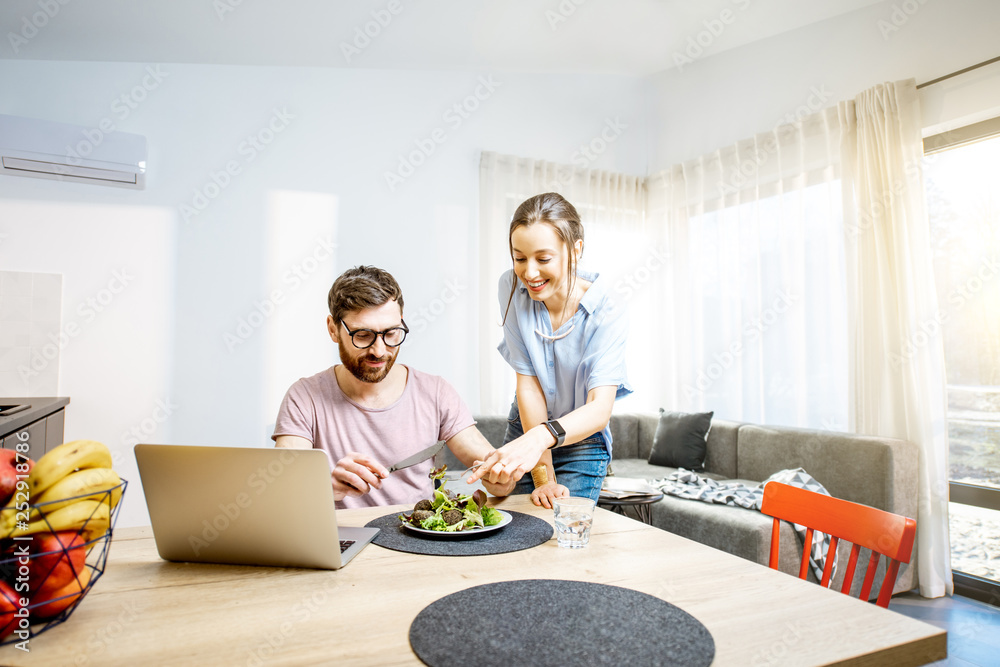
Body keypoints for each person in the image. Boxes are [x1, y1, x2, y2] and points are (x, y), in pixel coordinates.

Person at [272, 265, 514, 508]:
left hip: (416, 541)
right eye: (363, 335)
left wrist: (500, 478)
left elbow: (493, 467)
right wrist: (324, 486)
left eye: (391, 333)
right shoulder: (304, 397)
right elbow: (283, 490)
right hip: (339, 541)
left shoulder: (436, 392)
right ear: (333, 329)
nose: (379, 351)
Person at [468, 192, 631, 507]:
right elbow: (528, 384)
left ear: (575, 250)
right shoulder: (511, 288)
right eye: (519, 258)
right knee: (513, 529)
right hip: (526, 424)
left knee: (564, 530)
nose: (529, 273)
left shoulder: (607, 310)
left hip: (581, 436)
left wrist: (539, 439)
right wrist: (543, 473)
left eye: (543, 259)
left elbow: (599, 408)